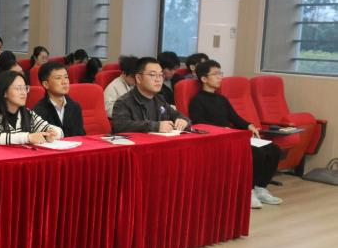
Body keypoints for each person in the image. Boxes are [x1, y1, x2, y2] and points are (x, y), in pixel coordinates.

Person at [190, 60, 283, 209]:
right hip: (217, 140)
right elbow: (199, 125)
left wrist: (249, 125)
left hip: (232, 137)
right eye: (215, 74)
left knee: (274, 149)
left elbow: (235, 118)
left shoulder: (222, 99)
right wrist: (223, 131)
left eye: (220, 73)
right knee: (257, 154)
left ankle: (260, 188)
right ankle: (248, 191)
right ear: (204, 79)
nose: (220, 77)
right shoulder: (197, 101)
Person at [0, 70, 63, 145]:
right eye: (18, 88)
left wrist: (52, 133)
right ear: (4, 92)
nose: (24, 93)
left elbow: (58, 131)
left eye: (25, 88)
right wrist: (28, 137)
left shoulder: (28, 114)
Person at [111, 57, 189, 133]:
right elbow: (120, 126)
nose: (158, 79)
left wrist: (183, 120)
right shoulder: (123, 102)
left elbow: (178, 115)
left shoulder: (160, 100)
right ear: (138, 78)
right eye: (152, 75)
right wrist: (156, 126)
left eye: (160, 75)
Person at [33, 61, 85, 137]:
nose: (65, 82)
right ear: (46, 84)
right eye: (58, 78)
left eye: (66, 77)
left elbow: (81, 136)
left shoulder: (75, 106)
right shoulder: (39, 110)